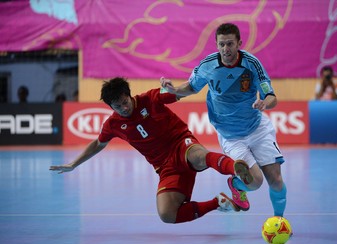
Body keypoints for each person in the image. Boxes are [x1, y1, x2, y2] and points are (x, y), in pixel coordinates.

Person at [50, 77, 253, 224]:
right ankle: (218, 202)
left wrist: (172, 89)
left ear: (129, 96)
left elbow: (178, 94)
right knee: (167, 215)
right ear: (110, 106)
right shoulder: (113, 124)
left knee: (198, 156)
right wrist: (73, 164)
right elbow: (98, 144)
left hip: (181, 143)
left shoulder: (150, 98)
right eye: (117, 106)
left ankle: (235, 169)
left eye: (124, 102)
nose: (123, 108)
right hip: (165, 167)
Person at [160, 23, 287, 217]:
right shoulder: (208, 65)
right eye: (221, 44)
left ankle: (280, 221)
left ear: (239, 44)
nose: (225, 49)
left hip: (257, 128)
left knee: (276, 180)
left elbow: (271, 96)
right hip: (231, 136)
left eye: (230, 44)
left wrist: (265, 104)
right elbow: (192, 87)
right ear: (216, 45)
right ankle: (236, 184)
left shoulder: (252, 64)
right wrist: (174, 90)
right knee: (255, 182)